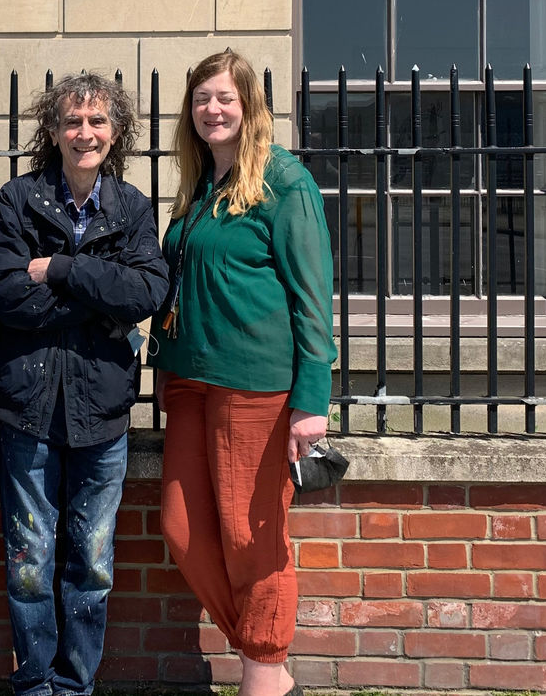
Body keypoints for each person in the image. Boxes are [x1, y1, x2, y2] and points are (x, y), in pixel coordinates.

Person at [151, 49, 336, 696]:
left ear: (250, 104)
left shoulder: (285, 183)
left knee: (250, 537)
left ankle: (262, 672)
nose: (213, 109)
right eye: (202, 98)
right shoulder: (201, 183)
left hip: (256, 386)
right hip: (190, 382)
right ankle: (274, 669)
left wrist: (313, 399)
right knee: (181, 527)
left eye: (225, 97)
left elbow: (314, 300)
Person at [0, 72, 169, 696]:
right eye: (72, 121)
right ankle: (36, 685)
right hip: (27, 410)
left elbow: (146, 291)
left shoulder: (134, 208)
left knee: (90, 564)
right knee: (29, 564)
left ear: (116, 134)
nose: (84, 133)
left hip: (102, 411)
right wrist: (100, 299)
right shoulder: (17, 199)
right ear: (53, 130)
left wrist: (60, 269)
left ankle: (75, 684)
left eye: (97, 122)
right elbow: (8, 295)